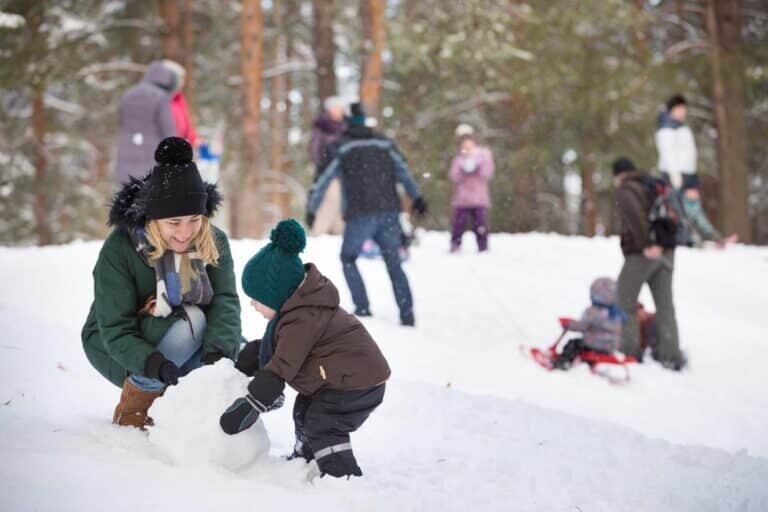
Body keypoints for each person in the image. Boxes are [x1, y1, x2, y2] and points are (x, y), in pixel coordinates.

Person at [81, 137, 243, 429]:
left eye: (194, 219)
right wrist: (154, 364)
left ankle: (187, 414)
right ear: (153, 220)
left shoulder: (212, 240)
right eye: (173, 223)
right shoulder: (120, 249)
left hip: (187, 334)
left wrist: (216, 360)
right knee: (192, 320)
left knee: (229, 351)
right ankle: (134, 411)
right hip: (115, 345)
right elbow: (115, 329)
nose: (185, 233)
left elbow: (225, 303)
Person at [219, 219, 390, 479]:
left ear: (277, 295)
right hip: (341, 379)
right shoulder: (295, 313)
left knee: (323, 422)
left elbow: (282, 365)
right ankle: (308, 460)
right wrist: (246, 360)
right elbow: (277, 348)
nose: (253, 305)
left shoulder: (303, 319)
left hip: (357, 383)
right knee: (305, 409)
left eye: (257, 299)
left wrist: (251, 404)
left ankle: (341, 477)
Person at [308, 102, 428, 326]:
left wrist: (312, 208)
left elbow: (322, 180)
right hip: (389, 212)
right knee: (393, 261)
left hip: (359, 214)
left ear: (345, 122)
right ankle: (407, 313)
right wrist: (417, 197)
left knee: (348, 258)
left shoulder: (340, 146)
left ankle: (362, 307)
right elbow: (403, 172)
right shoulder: (383, 142)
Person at [612, 157, 685, 370]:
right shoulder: (651, 184)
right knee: (665, 306)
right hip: (667, 250)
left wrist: (647, 243)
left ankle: (629, 353)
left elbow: (635, 216)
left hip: (645, 252)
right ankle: (671, 356)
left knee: (624, 300)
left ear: (618, 175)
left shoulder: (627, 189)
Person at [655, 94, 736, 247]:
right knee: (678, 210)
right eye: (679, 109)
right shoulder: (666, 129)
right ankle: (687, 238)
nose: (682, 112)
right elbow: (667, 153)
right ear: (672, 109)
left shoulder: (683, 128)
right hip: (673, 174)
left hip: (689, 174)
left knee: (694, 208)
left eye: (684, 109)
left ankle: (712, 236)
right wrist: (674, 174)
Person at [114, 61, 178, 184]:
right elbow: (168, 130)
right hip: (151, 159)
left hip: (125, 156)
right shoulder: (161, 97)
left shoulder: (128, 94)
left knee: (128, 198)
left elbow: (121, 122)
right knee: (148, 199)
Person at [553, 277, 626, 370]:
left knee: (573, 344)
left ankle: (563, 362)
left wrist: (569, 325)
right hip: (610, 347)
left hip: (593, 345)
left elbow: (583, 326)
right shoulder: (617, 313)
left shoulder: (592, 312)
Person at [448, 124, 495, 252]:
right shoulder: (459, 159)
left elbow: (487, 173)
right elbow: (453, 176)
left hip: (478, 198)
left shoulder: (483, 156)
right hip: (461, 199)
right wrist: (463, 172)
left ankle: (483, 247)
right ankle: (455, 245)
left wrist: (477, 168)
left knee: (480, 224)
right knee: (458, 224)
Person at [308, 96, 347, 236]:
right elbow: (315, 150)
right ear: (329, 110)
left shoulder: (346, 128)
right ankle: (318, 234)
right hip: (328, 173)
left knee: (341, 205)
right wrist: (324, 167)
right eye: (335, 109)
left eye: (340, 109)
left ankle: (339, 234)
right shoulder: (322, 128)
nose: (339, 112)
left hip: (345, 173)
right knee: (329, 203)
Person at [162, 60, 199, 147]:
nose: (182, 83)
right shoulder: (160, 100)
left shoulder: (178, 100)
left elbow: (187, 125)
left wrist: (196, 141)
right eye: (179, 79)